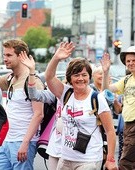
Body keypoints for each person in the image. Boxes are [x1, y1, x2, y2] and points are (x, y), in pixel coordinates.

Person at [45, 41, 118, 170]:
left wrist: (111, 159)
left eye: (84, 75)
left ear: (89, 77)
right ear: (70, 78)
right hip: (66, 158)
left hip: (89, 159)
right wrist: (56, 58)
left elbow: (110, 131)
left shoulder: (97, 98)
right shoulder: (66, 93)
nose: (80, 79)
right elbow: (49, 77)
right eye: (76, 75)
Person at [0, 39, 44, 170]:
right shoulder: (10, 78)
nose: (5, 59)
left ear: (21, 56)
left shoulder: (33, 82)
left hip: (22, 142)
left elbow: (39, 114)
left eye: (9, 55)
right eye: (4, 55)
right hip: (7, 141)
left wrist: (25, 143)